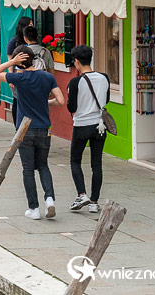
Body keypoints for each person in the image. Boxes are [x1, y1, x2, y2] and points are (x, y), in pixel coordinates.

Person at [0, 46, 65, 220]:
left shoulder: (19, 77)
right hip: (44, 128)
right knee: (44, 165)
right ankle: (50, 199)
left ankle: (34, 208)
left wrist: (12, 61)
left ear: (20, 62)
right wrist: (46, 103)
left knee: (28, 169)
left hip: (25, 129)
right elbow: (60, 100)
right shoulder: (47, 77)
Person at [67, 45, 109, 215]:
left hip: (82, 124)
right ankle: (94, 201)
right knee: (96, 163)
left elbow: (72, 106)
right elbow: (105, 100)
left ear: (77, 61)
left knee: (75, 160)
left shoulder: (76, 82)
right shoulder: (104, 77)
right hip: (99, 125)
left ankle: (81, 194)